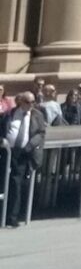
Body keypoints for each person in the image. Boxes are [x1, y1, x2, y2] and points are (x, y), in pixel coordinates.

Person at [3, 92, 45, 226]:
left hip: (23, 152)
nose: (32, 105)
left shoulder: (37, 115)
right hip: (7, 151)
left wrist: (30, 145)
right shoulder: (10, 113)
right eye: (29, 102)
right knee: (4, 181)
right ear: (21, 101)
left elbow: (40, 133)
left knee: (16, 182)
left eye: (33, 102)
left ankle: (12, 216)